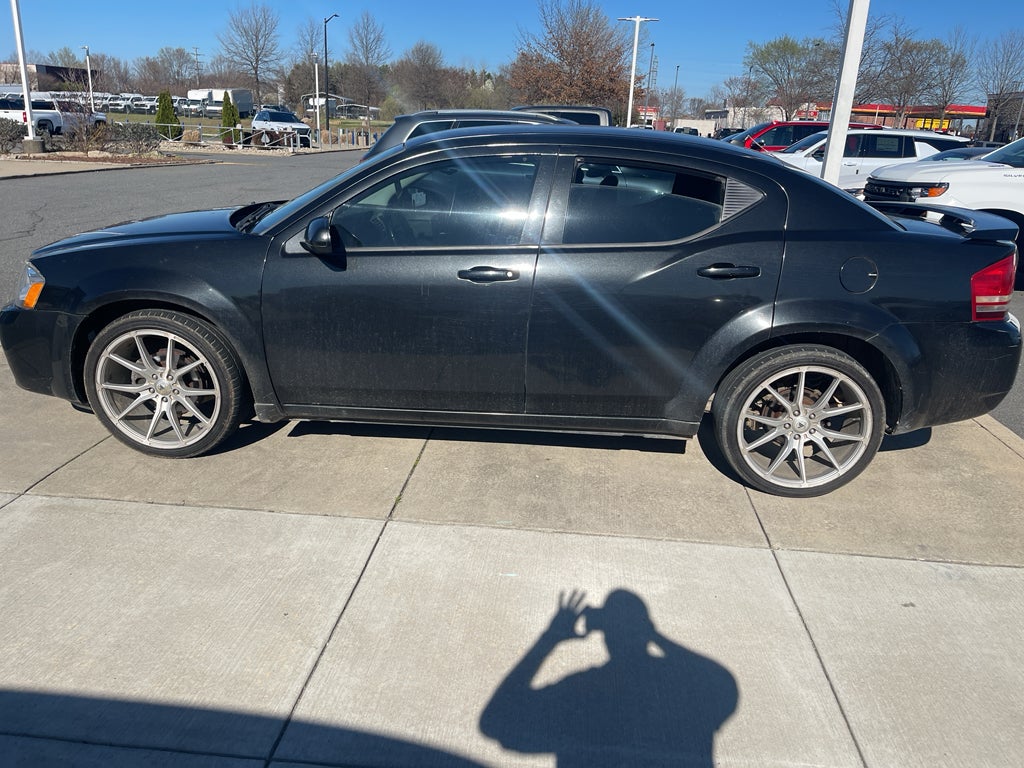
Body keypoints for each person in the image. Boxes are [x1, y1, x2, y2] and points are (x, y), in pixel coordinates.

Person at [480, 589, 738, 767]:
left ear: (605, 634)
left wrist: (549, 638)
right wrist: (653, 634)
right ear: (644, 628)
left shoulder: (582, 689)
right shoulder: (682, 685)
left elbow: (494, 720)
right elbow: (722, 679)